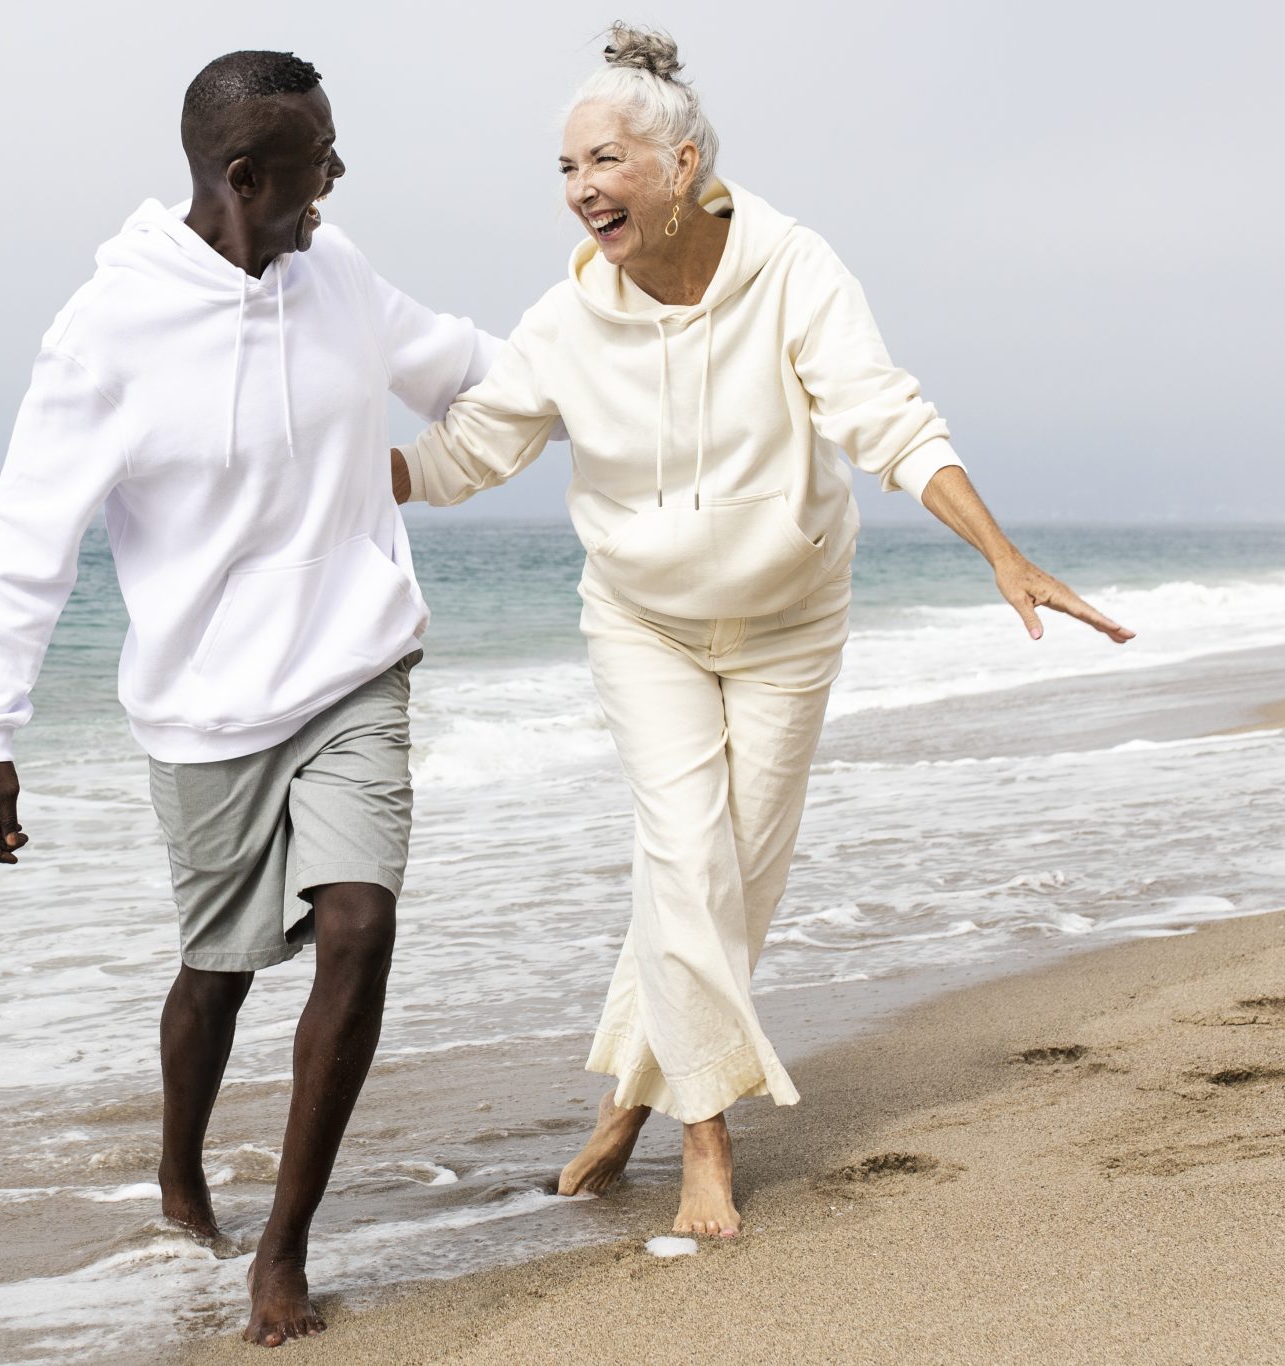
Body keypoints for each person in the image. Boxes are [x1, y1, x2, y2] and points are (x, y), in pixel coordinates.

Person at [390, 25, 1133, 1239]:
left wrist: (1002, 553)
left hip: (789, 622)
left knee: (730, 885)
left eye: (605, 160)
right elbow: (468, 449)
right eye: (566, 169)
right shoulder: (565, 319)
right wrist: (337, 475)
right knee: (685, 861)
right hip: (645, 623)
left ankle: (626, 1105)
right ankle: (705, 1148)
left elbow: (883, 419)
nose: (581, 189)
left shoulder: (791, 268)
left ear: (680, 165)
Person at [0, 50, 503, 1347]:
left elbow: (466, 363)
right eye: (319, 164)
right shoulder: (109, 329)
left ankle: (282, 1245)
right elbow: (29, 533)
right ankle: (180, 1164)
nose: (338, 183)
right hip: (204, 707)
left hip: (356, 664)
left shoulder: (337, 271)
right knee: (220, 969)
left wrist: (616, 371)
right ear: (245, 180)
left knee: (360, 925)